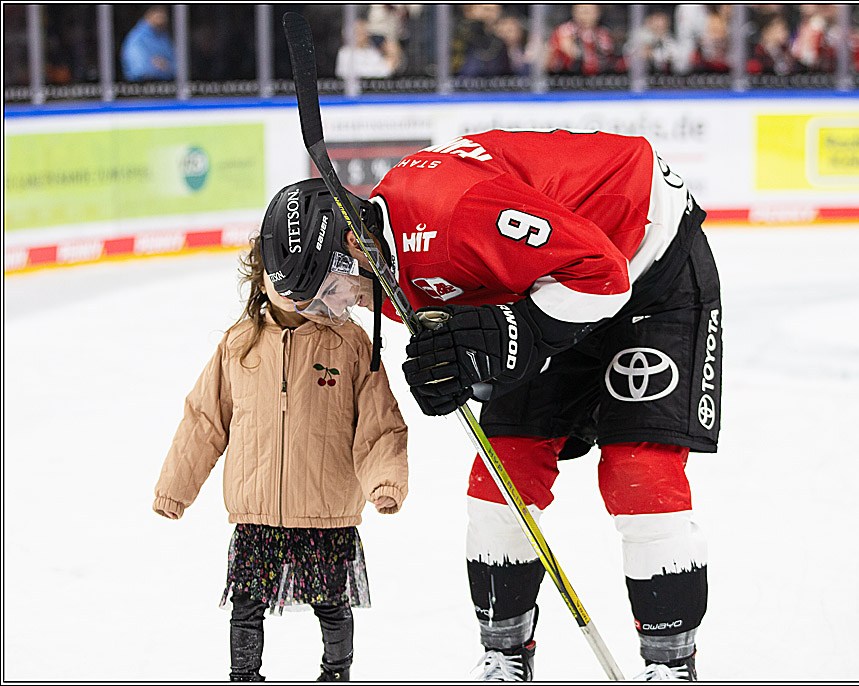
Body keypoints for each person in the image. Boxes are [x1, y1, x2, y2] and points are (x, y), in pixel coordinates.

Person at [262, 130, 722, 681]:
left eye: (330, 293)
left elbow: (603, 274)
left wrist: (512, 333)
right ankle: (505, 655)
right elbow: (475, 326)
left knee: (640, 474)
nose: (340, 311)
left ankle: (671, 666)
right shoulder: (384, 264)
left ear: (354, 248)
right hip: (549, 283)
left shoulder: (457, 213)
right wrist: (459, 368)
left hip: (649, 261)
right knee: (499, 481)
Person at [153, 207, 409, 682]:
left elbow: (380, 423)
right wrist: (175, 489)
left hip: (328, 505)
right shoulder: (238, 344)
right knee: (246, 606)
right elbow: (204, 421)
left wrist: (385, 482)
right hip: (257, 510)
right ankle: (244, 675)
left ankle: (336, 673)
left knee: (333, 605)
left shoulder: (350, 343)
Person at [547, 4, 624, 75]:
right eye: (581, 11)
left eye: (588, 12)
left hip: (598, 81)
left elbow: (609, 61)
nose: (585, 16)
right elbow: (568, 55)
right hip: (565, 79)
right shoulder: (564, 32)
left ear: (598, 13)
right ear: (574, 12)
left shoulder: (603, 34)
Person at [120, 5, 175, 81]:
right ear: (148, 13)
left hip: (166, 87)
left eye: (164, 12)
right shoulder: (137, 38)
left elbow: (178, 67)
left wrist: (165, 66)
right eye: (159, 11)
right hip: (142, 89)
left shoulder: (164, 37)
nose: (164, 16)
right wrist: (162, 68)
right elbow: (139, 71)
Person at [336, 18, 401, 79]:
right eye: (358, 32)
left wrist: (393, 55)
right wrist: (388, 64)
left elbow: (385, 72)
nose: (363, 35)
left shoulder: (372, 51)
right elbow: (363, 75)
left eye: (364, 31)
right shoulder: (345, 53)